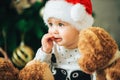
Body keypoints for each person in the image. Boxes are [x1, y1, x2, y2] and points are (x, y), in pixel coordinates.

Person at [32, 0, 94, 80]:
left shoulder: (89, 50)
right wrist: (45, 51)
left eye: (61, 24)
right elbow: (37, 70)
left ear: (79, 27)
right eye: (50, 24)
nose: (53, 31)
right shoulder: (52, 48)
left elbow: (98, 74)